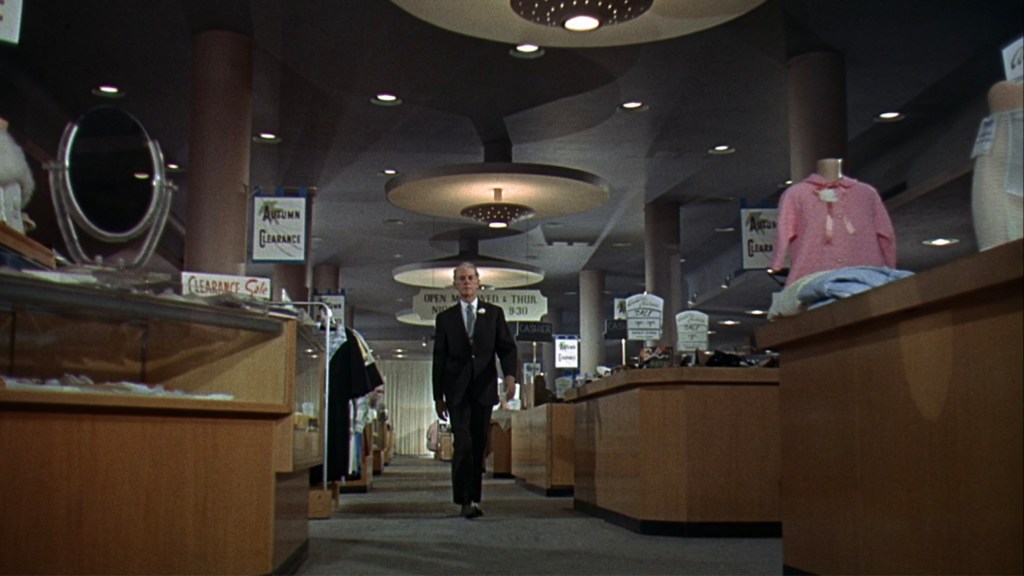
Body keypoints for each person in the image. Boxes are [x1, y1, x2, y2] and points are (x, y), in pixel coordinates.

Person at [432, 262, 517, 519]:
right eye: (462, 278)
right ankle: (464, 499)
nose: (467, 282)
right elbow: (439, 358)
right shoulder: (445, 318)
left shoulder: (493, 314)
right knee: (464, 443)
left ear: (478, 282)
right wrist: (438, 396)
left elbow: (506, 348)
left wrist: (510, 376)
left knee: (478, 444)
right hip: (456, 391)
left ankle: (475, 497)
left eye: (470, 278)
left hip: (483, 388)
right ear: (455, 284)